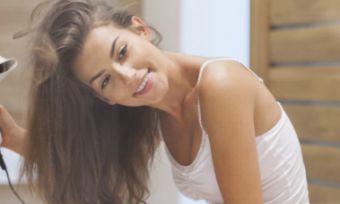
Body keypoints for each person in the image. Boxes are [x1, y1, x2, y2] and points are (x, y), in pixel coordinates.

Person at [0, 0, 310, 203]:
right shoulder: (155, 109)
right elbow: (83, 163)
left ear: (141, 30)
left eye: (122, 52)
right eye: (106, 81)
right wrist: (13, 137)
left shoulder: (221, 84)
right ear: (103, 98)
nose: (128, 76)